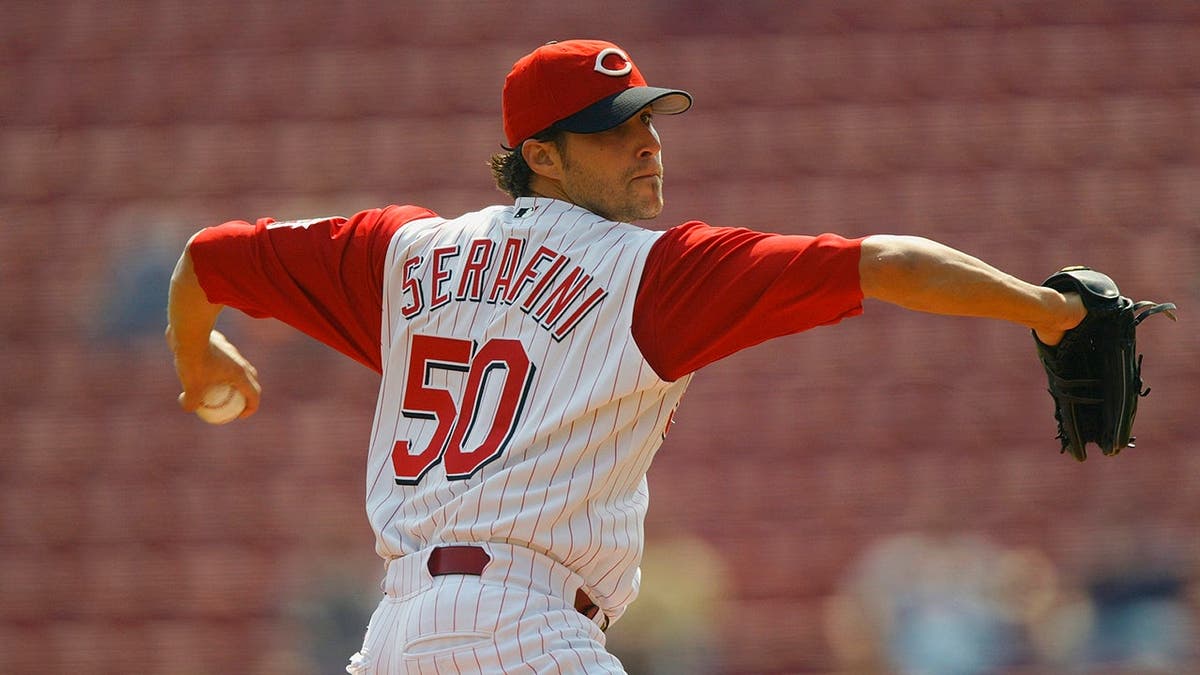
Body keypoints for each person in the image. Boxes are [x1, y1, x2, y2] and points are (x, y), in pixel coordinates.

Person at [166, 39, 1087, 674]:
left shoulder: (402, 252)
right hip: (526, 630)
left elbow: (206, 258)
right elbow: (882, 263)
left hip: (400, 632)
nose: (649, 144)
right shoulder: (650, 273)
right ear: (542, 155)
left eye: (648, 120)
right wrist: (1045, 310)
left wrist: (199, 364)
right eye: (614, 128)